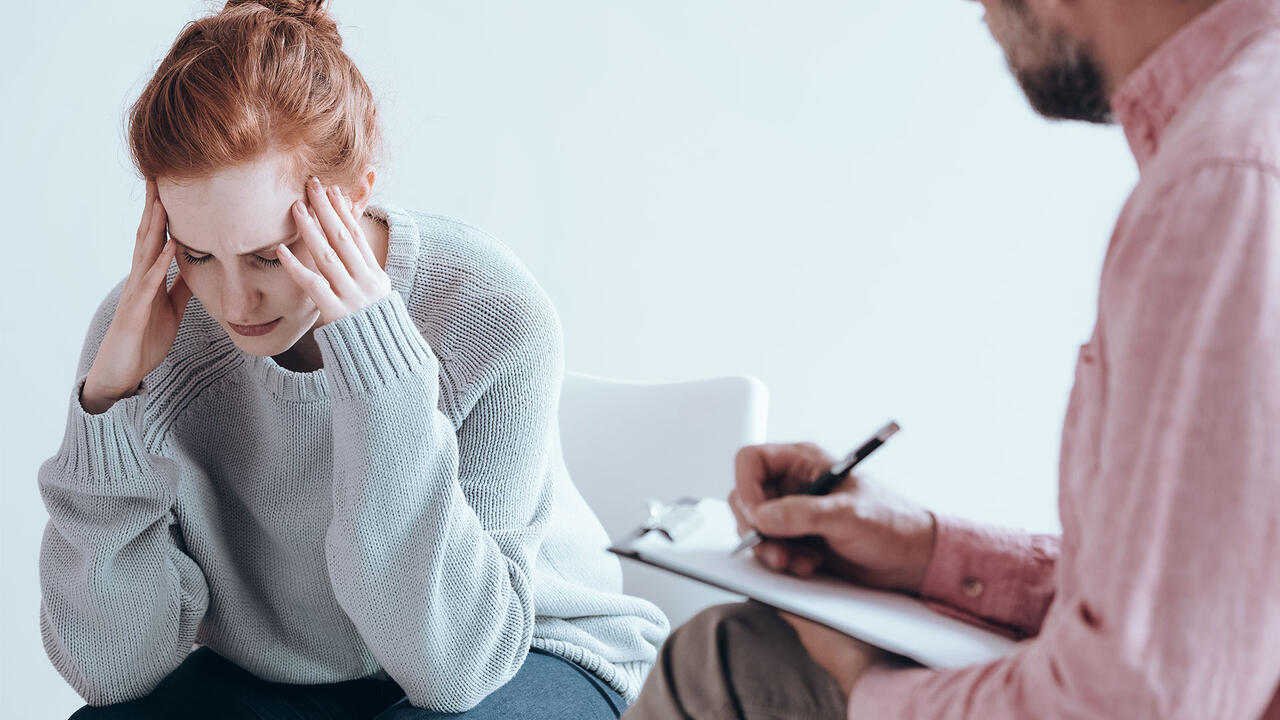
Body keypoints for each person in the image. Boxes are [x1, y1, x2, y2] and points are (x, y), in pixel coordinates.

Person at [623, 0, 1280, 717]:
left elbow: (1131, 701)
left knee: (726, 662)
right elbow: (1205, 600)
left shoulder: (1225, 182)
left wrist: (866, 683)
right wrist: (931, 555)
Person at [36, 1, 668, 718]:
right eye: (197, 253)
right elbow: (113, 672)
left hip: (524, 653)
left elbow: (457, 668)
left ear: (356, 191)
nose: (233, 298)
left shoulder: (489, 311)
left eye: (269, 254)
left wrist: (378, 373)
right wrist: (111, 404)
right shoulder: (146, 332)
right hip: (292, 677)